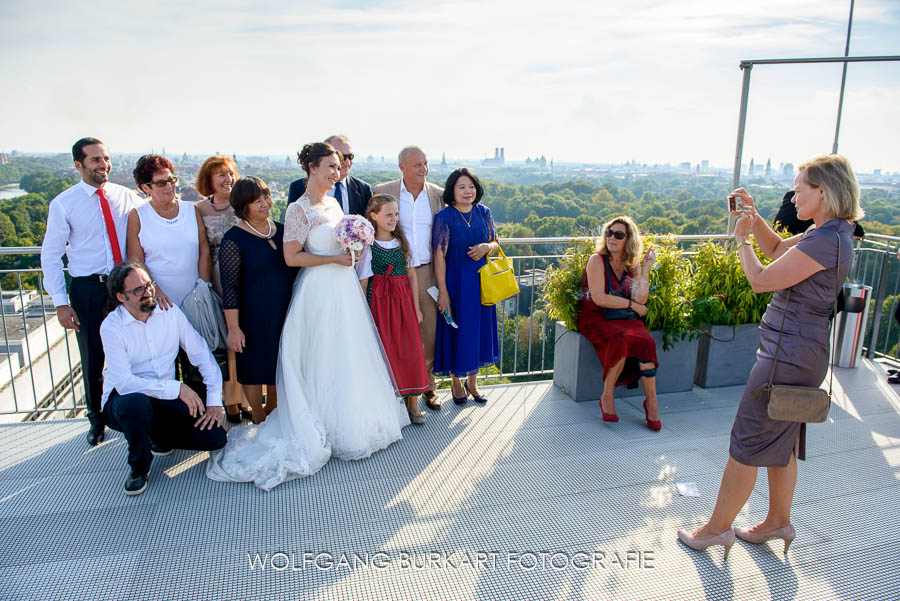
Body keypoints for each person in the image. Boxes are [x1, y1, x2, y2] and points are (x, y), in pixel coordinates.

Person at [677, 154, 860, 559]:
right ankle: (778, 521)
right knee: (783, 441)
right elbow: (777, 247)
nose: (794, 198)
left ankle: (715, 529)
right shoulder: (830, 233)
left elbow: (760, 279)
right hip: (801, 350)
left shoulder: (825, 240)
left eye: (799, 190)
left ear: (823, 192)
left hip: (788, 353)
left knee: (747, 441)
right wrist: (755, 218)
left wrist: (741, 239)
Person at [207, 142, 409, 490]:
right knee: (321, 353)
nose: (336, 171)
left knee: (347, 352)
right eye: (330, 166)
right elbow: (291, 257)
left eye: (338, 165)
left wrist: (353, 248)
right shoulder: (299, 209)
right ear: (312, 168)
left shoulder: (332, 203)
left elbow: (340, 243)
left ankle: (350, 419)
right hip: (317, 289)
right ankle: (317, 423)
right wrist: (332, 259)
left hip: (343, 287)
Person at [40, 137, 144, 446]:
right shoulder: (64, 204)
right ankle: (96, 419)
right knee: (93, 355)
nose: (104, 164)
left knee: (137, 350)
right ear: (79, 165)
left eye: (106, 158)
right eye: (96, 159)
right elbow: (50, 255)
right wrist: (60, 302)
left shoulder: (127, 197)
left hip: (127, 286)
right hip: (89, 288)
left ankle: (139, 415)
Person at [100, 261, 226, 496]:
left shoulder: (169, 313)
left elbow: (202, 355)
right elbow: (125, 383)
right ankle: (139, 468)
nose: (148, 293)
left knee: (215, 438)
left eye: (148, 285)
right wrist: (176, 388)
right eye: (138, 290)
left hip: (163, 399)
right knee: (135, 404)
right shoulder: (111, 327)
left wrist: (213, 401)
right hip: (124, 400)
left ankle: (155, 435)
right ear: (120, 296)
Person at [219, 176, 298, 424]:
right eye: (256, 201)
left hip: (284, 312)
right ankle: (258, 416)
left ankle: (274, 413)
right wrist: (233, 329)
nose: (265, 203)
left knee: (277, 365)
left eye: (266, 197)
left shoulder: (282, 230)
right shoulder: (233, 239)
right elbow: (229, 288)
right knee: (253, 369)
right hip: (252, 317)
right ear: (243, 206)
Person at [374, 146, 445, 410]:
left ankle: (428, 387)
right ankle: (396, 389)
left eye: (425, 164)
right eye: (417, 165)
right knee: (394, 332)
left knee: (429, 332)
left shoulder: (438, 195)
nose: (423, 169)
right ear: (401, 166)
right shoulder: (384, 191)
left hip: (426, 272)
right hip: (392, 274)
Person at [578, 216, 661, 430]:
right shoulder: (596, 260)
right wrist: (632, 307)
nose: (612, 238)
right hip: (595, 317)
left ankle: (651, 403)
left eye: (618, 235)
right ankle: (607, 395)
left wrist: (646, 268)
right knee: (621, 340)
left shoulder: (631, 264)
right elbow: (599, 298)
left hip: (621, 317)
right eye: (609, 233)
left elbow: (641, 298)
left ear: (628, 240)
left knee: (646, 342)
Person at [357, 193, 429, 424]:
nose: (394, 218)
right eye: (388, 214)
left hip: (402, 300)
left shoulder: (403, 240)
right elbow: (364, 279)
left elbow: (412, 275)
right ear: (374, 216)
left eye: (396, 214)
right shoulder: (368, 245)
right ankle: (388, 407)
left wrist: (416, 308)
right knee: (385, 349)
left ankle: (413, 403)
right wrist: (363, 310)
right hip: (379, 300)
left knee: (410, 349)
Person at [432, 168, 500, 405]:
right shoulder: (444, 216)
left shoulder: (484, 212)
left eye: (471, 186)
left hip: (483, 283)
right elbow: (439, 255)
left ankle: (473, 382)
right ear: (451, 190)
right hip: (456, 283)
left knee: (479, 331)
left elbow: (496, 243)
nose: (467, 191)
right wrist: (443, 290)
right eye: (461, 187)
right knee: (456, 329)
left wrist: (486, 247)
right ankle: (456, 382)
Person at [195, 154, 246, 422]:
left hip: (246, 274)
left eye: (230, 173)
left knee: (246, 335)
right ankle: (230, 401)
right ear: (209, 180)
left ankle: (248, 398)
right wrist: (204, 285)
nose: (228, 179)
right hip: (217, 275)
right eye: (221, 175)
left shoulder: (243, 203)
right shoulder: (199, 209)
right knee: (226, 338)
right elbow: (202, 249)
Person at [126, 154, 211, 308]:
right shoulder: (137, 216)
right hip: (160, 301)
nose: (169, 186)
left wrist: (203, 287)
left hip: (197, 298)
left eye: (171, 180)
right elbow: (136, 261)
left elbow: (204, 250)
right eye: (161, 183)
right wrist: (155, 291)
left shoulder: (192, 209)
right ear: (145, 188)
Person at [286, 134, 371, 215]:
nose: (347, 162)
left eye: (350, 156)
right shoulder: (298, 188)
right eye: (342, 156)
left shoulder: (363, 189)